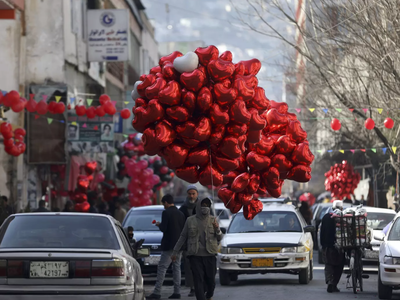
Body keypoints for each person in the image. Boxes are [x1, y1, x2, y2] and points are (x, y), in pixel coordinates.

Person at [172, 198, 223, 300]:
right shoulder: (190, 220)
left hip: (210, 255)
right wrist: (175, 252)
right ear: (199, 206)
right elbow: (183, 237)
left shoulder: (213, 220)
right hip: (195, 256)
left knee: (211, 282)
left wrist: (217, 228)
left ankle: (209, 295)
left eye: (207, 206)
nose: (205, 208)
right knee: (198, 280)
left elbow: (220, 237)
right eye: (203, 205)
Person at [147, 195, 186, 300]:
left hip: (169, 246)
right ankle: (177, 292)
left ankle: (157, 292)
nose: (163, 206)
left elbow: (164, 229)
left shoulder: (166, 212)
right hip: (179, 246)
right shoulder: (180, 214)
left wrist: (159, 225)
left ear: (166, 202)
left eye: (163, 203)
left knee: (162, 268)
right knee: (176, 268)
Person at [320, 200, 345, 293]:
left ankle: (330, 282)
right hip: (340, 246)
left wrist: (322, 245)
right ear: (341, 208)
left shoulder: (326, 217)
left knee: (328, 264)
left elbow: (322, 232)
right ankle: (334, 284)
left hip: (327, 246)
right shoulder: (343, 217)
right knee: (339, 265)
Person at [179, 185, 199, 297]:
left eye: (193, 193)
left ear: (197, 194)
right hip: (188, 243)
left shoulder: (203, 207)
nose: (191, 196)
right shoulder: (182, 209)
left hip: (202, 242)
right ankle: (192, 288)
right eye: (189, 193)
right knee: (189, 266)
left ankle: (201, 286)